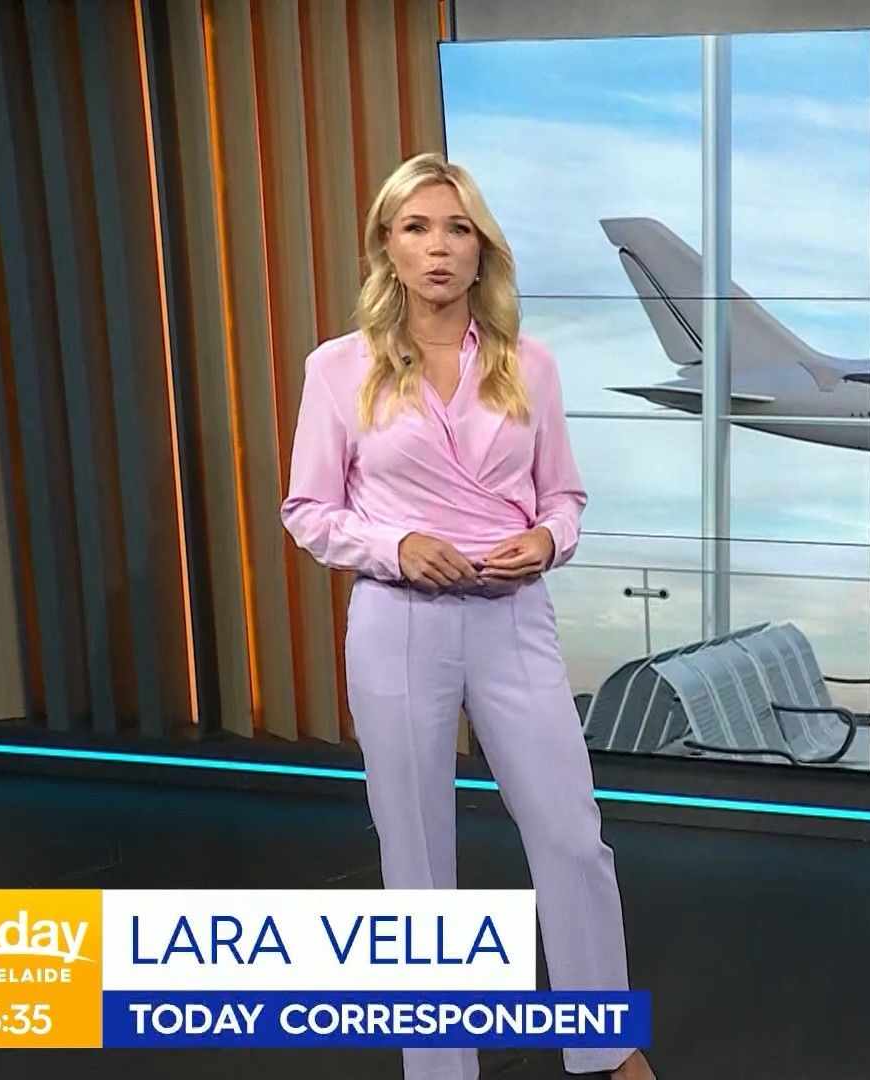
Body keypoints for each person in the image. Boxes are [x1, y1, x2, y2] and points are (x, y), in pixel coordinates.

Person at [280, 152, 655, 1080]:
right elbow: (309, 511)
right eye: (417, 228)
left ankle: (607, 1045)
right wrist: (396, 545)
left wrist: (548, 539)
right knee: (416, 853)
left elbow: (564, 497)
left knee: (572, 837)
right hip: (398, 620)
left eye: (457, 229)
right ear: (388, 247)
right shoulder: (337, 369)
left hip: (512, 617)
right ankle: (439, 1068)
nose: (439, 247)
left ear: (482, 249)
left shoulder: (531, 365)